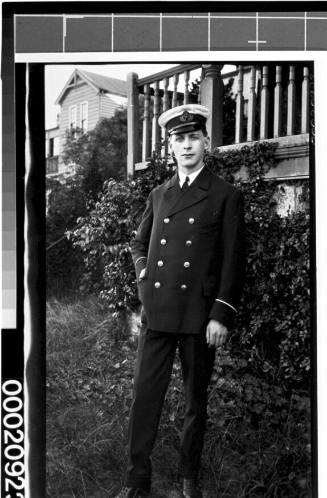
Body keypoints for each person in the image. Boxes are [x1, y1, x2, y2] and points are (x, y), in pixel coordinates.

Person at [116, 104, 246, 498]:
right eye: (178, 139)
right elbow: (139, 241)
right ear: (169, 147)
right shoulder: (160, 194)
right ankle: (137, 480)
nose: (186, 145)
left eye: (193, 137)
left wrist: (221, 314)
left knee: (195, 402)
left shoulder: (226, 195)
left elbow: (234, 259)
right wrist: (143, 276)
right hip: (157, 311)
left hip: (198, 316)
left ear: (207, 142)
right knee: (144, 397)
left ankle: (189, 479)